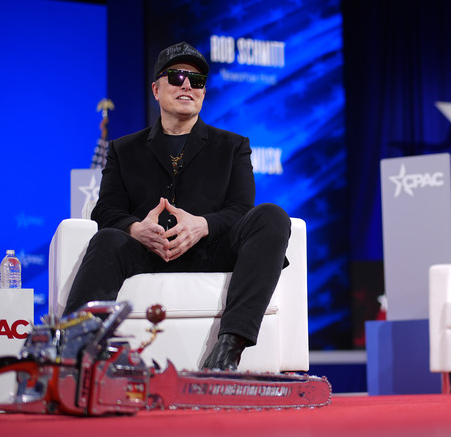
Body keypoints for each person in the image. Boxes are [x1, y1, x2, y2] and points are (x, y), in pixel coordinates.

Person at [64, 42, 291, 371]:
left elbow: (241, 209)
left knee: (272, 216)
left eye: (196, 81)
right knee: (107, 238)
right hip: (146, 253)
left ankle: (227, 352)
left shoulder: (233, 146)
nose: (187, 84)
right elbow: (106, 211)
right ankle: (74, 355)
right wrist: (136, 229)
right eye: (177, 76)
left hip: (209, 250)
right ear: (156, 89)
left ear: (202, 93)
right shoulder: (123, 149)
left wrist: (203, 225)